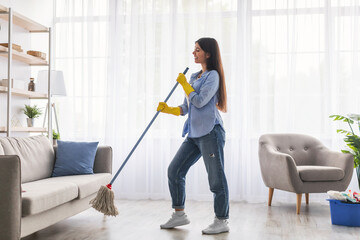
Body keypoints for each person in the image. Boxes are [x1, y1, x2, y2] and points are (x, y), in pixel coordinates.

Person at [157, 37, 229, 235]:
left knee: (216, 179)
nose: (193, 53)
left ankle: (222, 220)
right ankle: (179, 213)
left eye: (197, 50)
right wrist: (168, 109)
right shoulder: (194, 77)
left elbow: (199, 101)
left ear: (208, 53)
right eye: (194, 49)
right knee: (175, 170)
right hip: (194, 134)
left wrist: (184, 86)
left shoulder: (213, 76)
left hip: (210, 133)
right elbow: (186, 107)